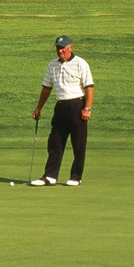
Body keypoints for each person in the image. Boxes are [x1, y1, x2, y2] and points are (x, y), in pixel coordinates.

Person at [29, 33, 93, 187]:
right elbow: (46, 88)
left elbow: (89, 87)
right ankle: (50, 176)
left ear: (70, 47)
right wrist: (38, 108)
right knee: (55, 142)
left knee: (78, 144)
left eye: (63, 48)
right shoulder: (52, 65)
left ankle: (76, 176)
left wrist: (87, 108)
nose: (60, 52)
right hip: (60, 107)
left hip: (77, 105)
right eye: (58, 49)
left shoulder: (80, 63)